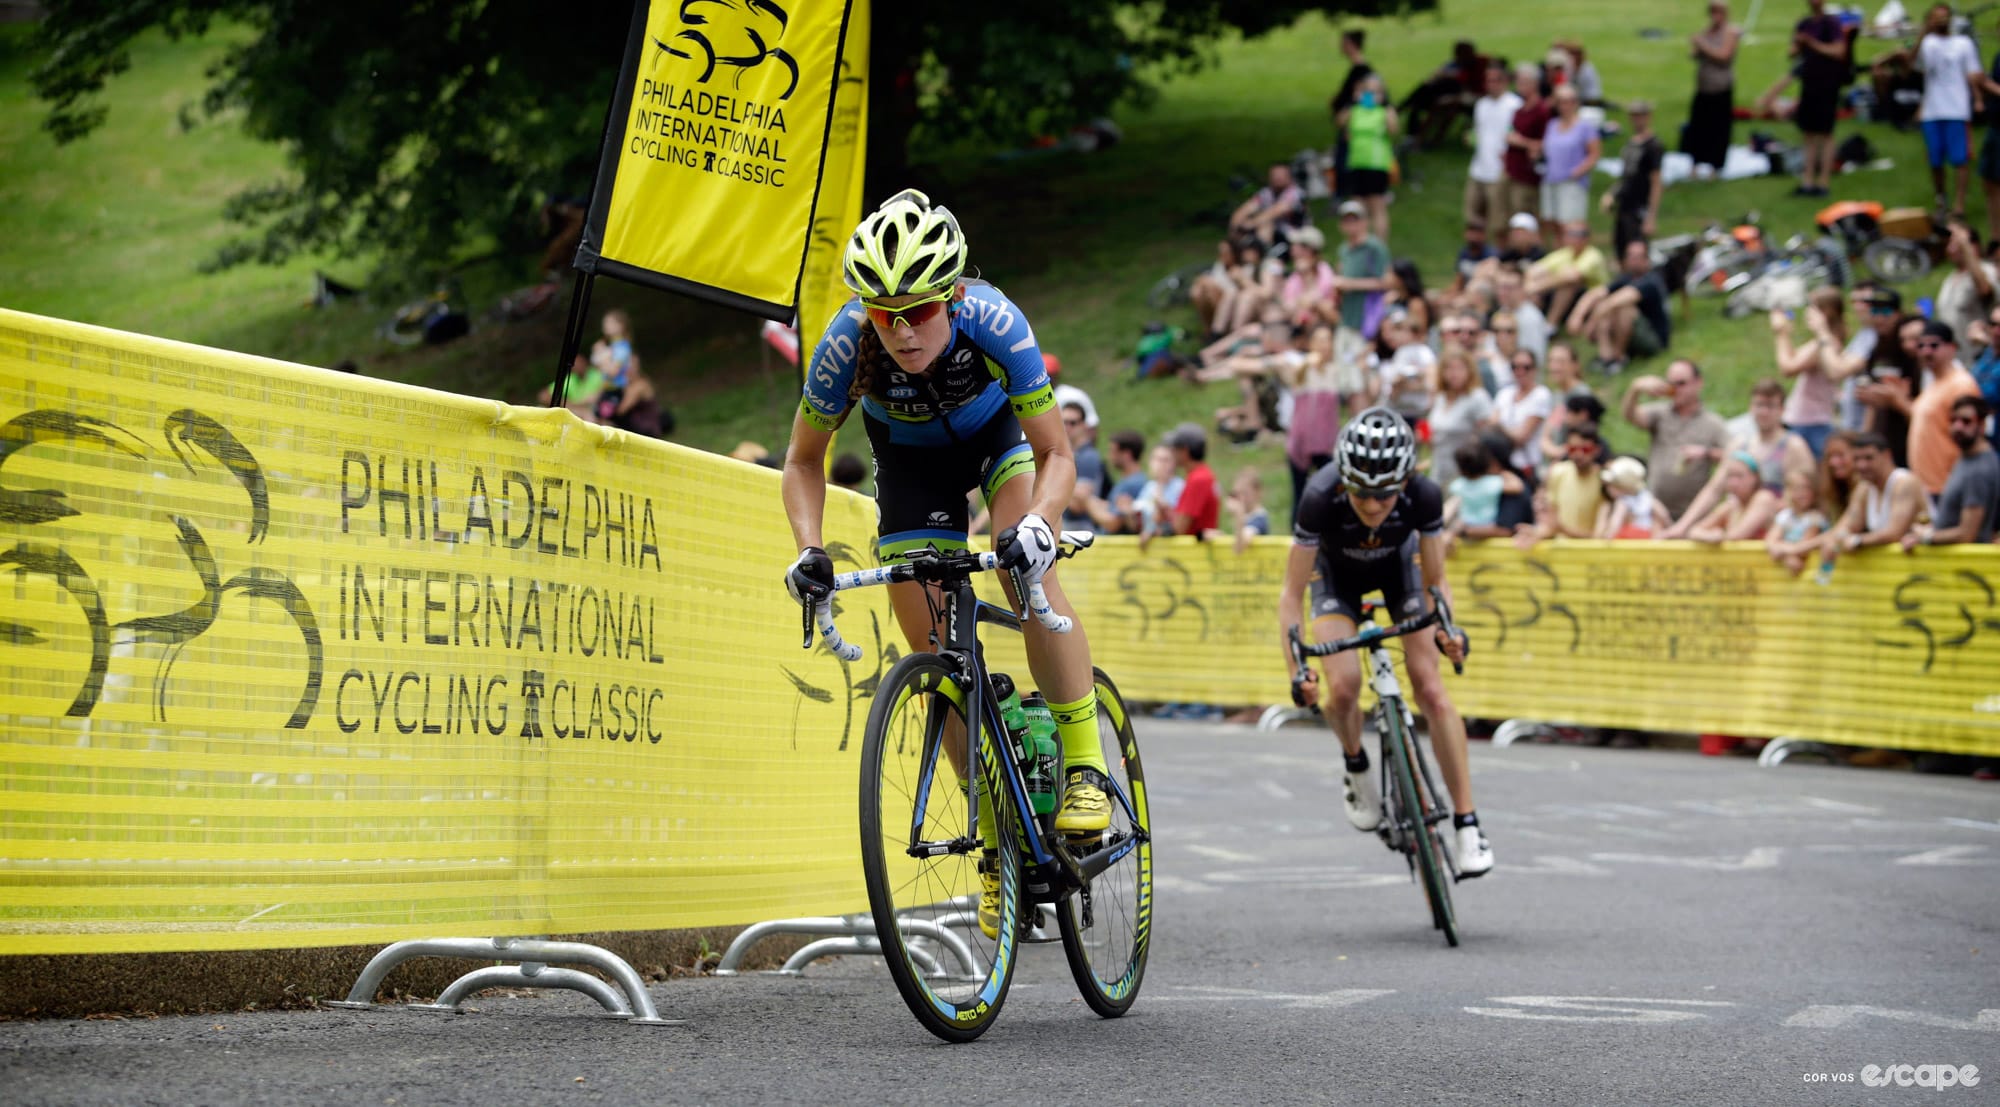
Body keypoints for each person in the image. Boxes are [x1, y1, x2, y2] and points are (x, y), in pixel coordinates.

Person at [780, 190, 1110, 940]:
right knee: (932, 653)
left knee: (1025, 573)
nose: (901, 330)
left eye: (921, 311)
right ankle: (998, 847)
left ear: (954, 296)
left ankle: (1086, 765)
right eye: (884, 313)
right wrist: (807, 548)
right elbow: (803, 460)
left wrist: (1037, 524)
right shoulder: (845, 343)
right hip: (911, 466)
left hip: (997, 440)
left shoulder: (995, 320)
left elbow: (1058, 452)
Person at [1280, 409, 1492, 876]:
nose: (1373, 505)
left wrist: (1448, 631)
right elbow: (1292, 595)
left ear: (1406, 481)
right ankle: (1356, 764)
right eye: (1361, 492)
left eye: (1385, 494)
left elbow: (1437, 581)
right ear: (1344, 481)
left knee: (1430, 686)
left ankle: (1467, 823)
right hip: (1336, 580)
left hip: (1402, 575)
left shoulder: (1425, 494)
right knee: (1343, 686)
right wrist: (1297, 668)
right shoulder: (1319, 495)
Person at [1667, 378, 1816, 535]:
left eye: (1770, 406)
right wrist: (1682, 526)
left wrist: (1765, 507)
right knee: (1726, 508)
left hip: (1777, 529)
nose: (1764, 412)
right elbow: (1714, 489)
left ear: (1782, 410)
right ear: (1751, 407)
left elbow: (1808, 495)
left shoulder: (1793, 446)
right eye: (1759, 405)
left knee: (1763, 500)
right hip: (1738, 518)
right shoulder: (1740, 445)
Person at [1622, 358, 1733, 519]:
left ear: (1698, 383)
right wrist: (1635, 389)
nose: (1674, 390)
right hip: (1656, 512)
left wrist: (1706, 453)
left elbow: (1735, 457)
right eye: (1671, 384)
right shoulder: (1660, 414)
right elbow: (1629, 416)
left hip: (1694, 516)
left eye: (1681, 384)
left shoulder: (1713, 423)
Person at [1904, 4, 1984, 218]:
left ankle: (1959, 205)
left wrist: (1977, 99)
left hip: (1957, 109)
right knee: (1935, 160)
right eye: (1936, 17)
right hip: (1932, 110)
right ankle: (1941, 200)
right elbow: (1911, 65)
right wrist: (1923, 33)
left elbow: (1974, 74)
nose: (1941, 20)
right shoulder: (1927, 43)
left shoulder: (1963, 43)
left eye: (1944, 16)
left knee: (1960, 160)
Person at [1815, 432, 1927, 577]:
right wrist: (1834, 541)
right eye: (1857, 459)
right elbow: (1844, 527)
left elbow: (1894, 533)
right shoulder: (1864, 489)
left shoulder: (1904, 482)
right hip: (1892, 574)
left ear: (1886, 455)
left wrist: (1857, 541)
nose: (1862, 465)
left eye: (1869, 458)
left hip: (1920, 571)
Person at [1770, 287, 1857, 458]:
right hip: (1809, 421)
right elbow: (1793, 357)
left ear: (1825, 312)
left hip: (1810, 423)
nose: (1807, 312)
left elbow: (1788, 368)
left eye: (1812, 307)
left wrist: (1780, 334)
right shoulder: (1824, 342)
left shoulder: (1825, 344)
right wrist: (1786, 332)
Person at [1907, 319, 1987, 497]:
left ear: (1952, 347)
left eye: (1934, 345)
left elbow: (1972, 436)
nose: (1926, 351)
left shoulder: (1961, 385)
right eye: (1921, 346)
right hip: (1927, 486)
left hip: (1948, 485)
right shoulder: (1933, 383)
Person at [1904, 396, 1999, 545]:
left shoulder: (1979, 470)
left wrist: (1925, 537)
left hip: (1966, 563)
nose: (1958, 427)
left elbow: (1967, 534)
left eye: (1966, 421)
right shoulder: (1966, 457)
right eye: (1953, 420)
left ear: (1982, 425)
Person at [1567, 239, 1671, 375]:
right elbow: (1596, 293)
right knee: (1603, 303)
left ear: (1647, 259)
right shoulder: (1626, 278)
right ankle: (1606, 358)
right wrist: (1577, 315)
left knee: (1623, 308)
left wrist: (1591, 323)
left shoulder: (1651, 281)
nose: (1633, 260)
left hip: (1654, 340)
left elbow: (1618, 300)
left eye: (1638, 257)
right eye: (1630, 256)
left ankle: (1619, 358)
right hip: (1633, 336)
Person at [1790, 0, 1851, 198]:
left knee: (1825, 133)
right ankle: (1807, 180)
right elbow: (1792, 53)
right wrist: (1799, 45)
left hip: (1827, 84)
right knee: (1808, 132)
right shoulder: (1804, 23)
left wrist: (1812, 44)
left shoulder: (1831, 23)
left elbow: (1839, 51)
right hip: (1809, 83)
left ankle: (1823, 181)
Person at [1337, 74, 1400, 243]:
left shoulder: (1383, 111)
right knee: (1357, 206)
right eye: (1367, 91)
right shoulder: (1355, 110)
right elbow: (1340, 122)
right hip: (1357, 162)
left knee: (1377, 205)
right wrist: (1353, 102)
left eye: (1375, 92)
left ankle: (1380, 246)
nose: (1370, 95)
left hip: (1376, 164)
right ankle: (1358, 241)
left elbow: (1394, 129)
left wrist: (1386, 106)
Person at [1526, 222, 1611, 337]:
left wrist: (1537, 287)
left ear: (1587, 237)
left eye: (1581, 234)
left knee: (1568, 284)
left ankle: (1550, 326)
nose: (1576, 238)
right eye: (1571, 233)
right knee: (1541, 279)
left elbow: (1573, 276)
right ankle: (1530, 324)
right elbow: (1534, 270)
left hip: (1594, 301)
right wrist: (1532, 284)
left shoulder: (1593, 255)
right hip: (1567, 302)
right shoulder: (1565, 253)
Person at [1686, 1, 1741, 178]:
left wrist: (1702, 44)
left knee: (1718, 128)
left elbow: (1724, 56)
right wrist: (1696, 48)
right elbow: (1695, 54)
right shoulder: (1708, 31)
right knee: (1698, 127)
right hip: (1703, 87)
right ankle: (1696, 163)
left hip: (1720, 87)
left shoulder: (1730, 32)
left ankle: (1715, 167)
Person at [1428, 345, 1496, 487]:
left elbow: (1489, 435)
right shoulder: (1440, 397)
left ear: (1469, 370)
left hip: (1465, 475)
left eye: (1459, 368)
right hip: (1439, 469)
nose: (1454, 374)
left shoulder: (1477, 397)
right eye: (1449, 368)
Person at [1467, 64, 1523, 231]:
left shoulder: (1514, 105)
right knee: (1473, 216)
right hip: (1478, 168)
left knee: (1498, 220)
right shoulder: (1481, 105)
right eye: (1488, 81)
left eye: (1495, 80)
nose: (1491, 84)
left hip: (1500, 170)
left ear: (1505, 82)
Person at [1606, 101, 1664, 256]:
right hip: (1625, 203)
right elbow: (1626, 175)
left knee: (1637, 251)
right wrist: (1612, 194)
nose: (1637, 120)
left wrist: (1651, 217)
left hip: (1640, 206)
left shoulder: (1653, 146)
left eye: (1641, 116)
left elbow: (1656, 182)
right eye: (1634, 116)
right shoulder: (1630, 143)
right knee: (1621, 248)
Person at [1540, 86, 1602, 233]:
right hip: (1551, 180)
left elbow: (1594, 153)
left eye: (1569, 101)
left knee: (1570, 225)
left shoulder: (1585, 126)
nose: (1565, 106)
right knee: (1552, 223)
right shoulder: (1552, 125)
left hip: (1572, 183)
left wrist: (1578, 170)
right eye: (1561, 102)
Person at [1685, 451, 1781, 542]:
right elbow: (1693, 531)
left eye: (1739, 476)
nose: (1733, 483)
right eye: (1730, 476)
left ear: (1754, 478)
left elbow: (1737, 535)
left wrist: (1719, 535)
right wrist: (1709, 536)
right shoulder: (1732, 505)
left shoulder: (1763, 498)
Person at [1503, 62, 1554, 231]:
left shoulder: (1541, 111)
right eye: (1518, 82)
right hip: (1512, 169)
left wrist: (1521, 142)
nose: (1519, 86)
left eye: (1523, 82)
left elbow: (1547, 143)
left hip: (1528, 174)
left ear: (1534, 84)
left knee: (1525, 217)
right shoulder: (1519, 109)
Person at [1494, 347, 1555, 474]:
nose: (1520, 371)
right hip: (1502, 465)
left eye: (1526, 367)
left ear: (1535, 369)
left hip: (1527, 466)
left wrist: (1499, 427)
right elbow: (1490, 424)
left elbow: (1521, 437)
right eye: (1515, 367)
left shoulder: (1541, 394)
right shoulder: (1504, 393)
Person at [1230, 162, 1309, 248]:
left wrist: (1250, 224)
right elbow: (1246, 209)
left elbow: (1277, 210)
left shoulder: (1296, 193)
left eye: (1281, 175)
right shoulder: (1266, 193)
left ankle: (1262, 254)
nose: (1277, 177)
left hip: (1295, 233)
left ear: (1289, 176)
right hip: (1273, 233)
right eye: (1274, 174)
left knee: (1266, 225)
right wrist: (1236, 225)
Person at [1767, 468, 1831, 574]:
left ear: (1814, 491)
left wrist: (1782, 551)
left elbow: (1803, 549)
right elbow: (1771, 540)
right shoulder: (1785, 515)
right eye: (1796, 488)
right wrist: (1787, 558)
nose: (1802, 493)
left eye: (1806, 488)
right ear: (1788, 492)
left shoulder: (1816, 518)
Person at [1165, 422, 1221, 537]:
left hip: (1195, 552)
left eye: (1175, 449)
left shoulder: (1198, 479)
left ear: (1184, 451)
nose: (1172, 453)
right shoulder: (1203, 474)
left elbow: (1180, 528)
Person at [1600, 455, 1670, 538]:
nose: (1608, 489)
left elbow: (1616, 521)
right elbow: (1664, 515)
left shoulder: (1623, 501)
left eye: (1612, 485)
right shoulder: (1647, 497)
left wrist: (1608, 535)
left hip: (1632, 536)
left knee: (1657, 523)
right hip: (1645, 535)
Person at [1133, 444, 1185, 542]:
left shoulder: (1180, 487)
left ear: (1174, 463)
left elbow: (1179, 522)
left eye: (1165, 460)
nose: (1161, 464)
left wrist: (1162, 504)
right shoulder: (1149, 487)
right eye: (1157, 459)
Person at [1223, 468, 1273, 554]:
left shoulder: (1259, 519)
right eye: (1237, 494)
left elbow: (1239, 548)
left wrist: (1239, 514)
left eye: (1245, 493)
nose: (1241, 499)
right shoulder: (1247, 516)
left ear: (1258, 492)